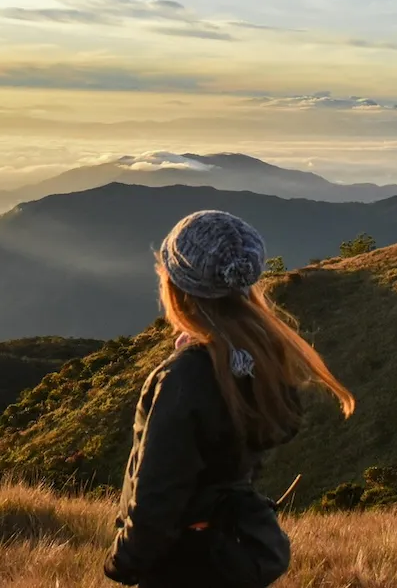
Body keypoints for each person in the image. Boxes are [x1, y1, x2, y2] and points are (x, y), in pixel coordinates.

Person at [103, 210, 355, 588]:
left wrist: (122, 562)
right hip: (227, 556)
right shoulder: (264, 361)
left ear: (175, 287)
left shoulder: (185, 378)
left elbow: (157, 495)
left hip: (181, 567)